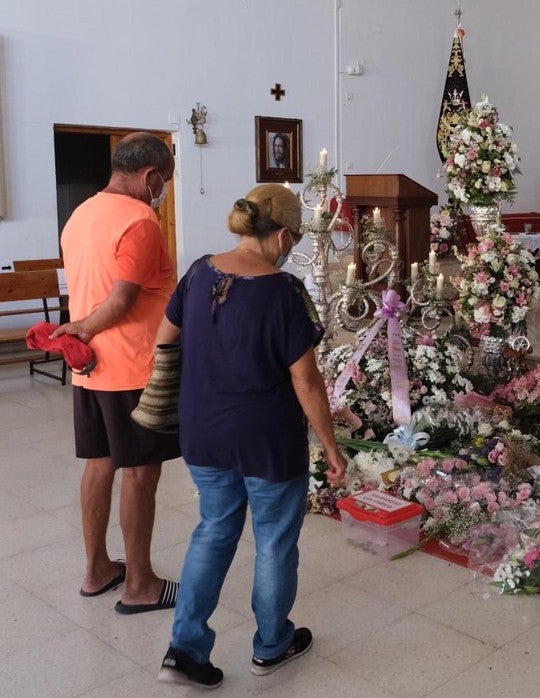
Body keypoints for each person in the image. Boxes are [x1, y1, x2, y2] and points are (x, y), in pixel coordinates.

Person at [156, 184, 349, 688]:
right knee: (275, 542)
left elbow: (165, 338)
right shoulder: (284, 292)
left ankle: (184, 650)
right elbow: (305, 380)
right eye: (296, 239)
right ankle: (271, 643)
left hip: (202, 432)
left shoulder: (199, 271)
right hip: (267, 440)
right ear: (284, 234)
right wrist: (331, 446)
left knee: (214, 530)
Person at [54, 131, 181, 614]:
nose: (161, 191)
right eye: (162, 182)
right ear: (149, 177)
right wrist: (83, 328)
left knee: (100, 464)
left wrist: (82, 336)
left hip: (89, 370)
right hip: (134, 369)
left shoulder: (80, 215)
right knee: (141, 474)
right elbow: (123, 299)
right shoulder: (139, 220)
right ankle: (141, 585)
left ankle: (98, 570)